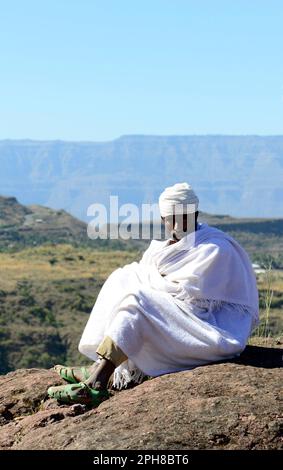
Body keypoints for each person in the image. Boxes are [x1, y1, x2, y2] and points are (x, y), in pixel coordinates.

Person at [48, 182, 259, 406]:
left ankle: (96, 383)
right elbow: (152, 281)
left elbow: (188, 295)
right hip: (175, 318)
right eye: (173, 217)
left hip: (205, 327)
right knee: (123, 277)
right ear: (163, 219)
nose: (179, 223)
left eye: (185, 216)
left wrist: (148, 285)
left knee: (138, 300)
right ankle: (99, 367)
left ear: (196, 213)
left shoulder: (216, 248)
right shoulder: (161, 249)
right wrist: (144, 281)